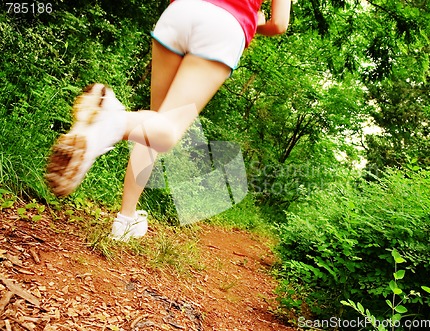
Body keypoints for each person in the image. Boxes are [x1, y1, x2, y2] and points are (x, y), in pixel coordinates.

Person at [46, 0, 291, 241]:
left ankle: (125, 220)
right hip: (224, 26)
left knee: (152, 125)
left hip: (179, 13)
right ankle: (109, 122)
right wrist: (256, 22)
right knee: (168, 133)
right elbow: (279, 23)